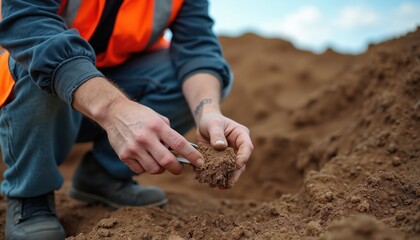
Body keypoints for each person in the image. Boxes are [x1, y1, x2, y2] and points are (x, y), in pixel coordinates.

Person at [0, 0, 254, 239]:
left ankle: (103, 175)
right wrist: (114, 108)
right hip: (30, 90)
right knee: (37, 58)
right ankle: (30, 194)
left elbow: (197, 47)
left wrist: (207, 111)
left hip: (113, 79)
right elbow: (28, 23)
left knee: (204, 78)